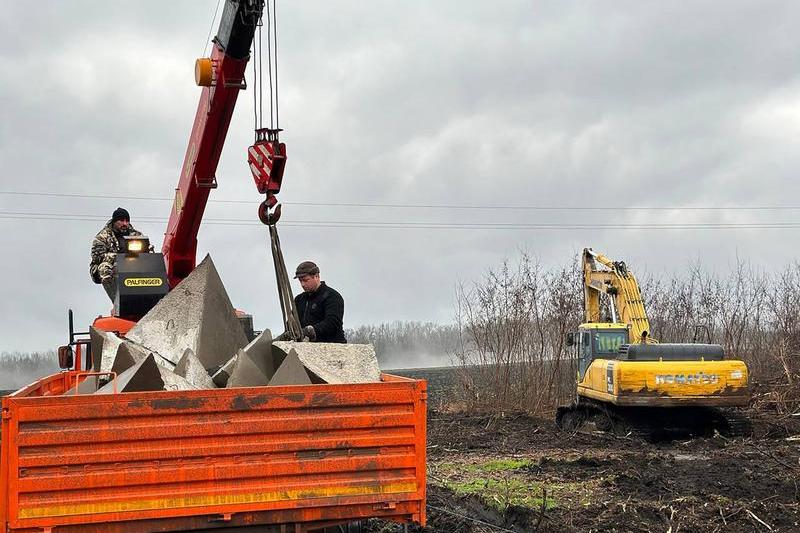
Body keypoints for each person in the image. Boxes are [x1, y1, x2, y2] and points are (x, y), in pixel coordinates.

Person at [89, 207, 143, 301]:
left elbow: (149, 250)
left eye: (127, 221)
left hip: (133, 264)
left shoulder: (136, 235)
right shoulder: (102, 237)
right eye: (121, 221)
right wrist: (119, 257)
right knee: (104, 269)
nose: (125, 224)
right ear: (114, 221)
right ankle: (118, 303)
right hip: (111, 266)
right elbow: (97, 257)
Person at [294, 261, 346, 343]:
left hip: (331, 348)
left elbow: (332, 323)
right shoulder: (299, 300)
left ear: (316, 276)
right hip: (305, 349)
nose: (303, 284)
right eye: (300, 281)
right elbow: (292, 323)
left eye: (305, 280)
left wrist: (311, 330)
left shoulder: (333, 297)